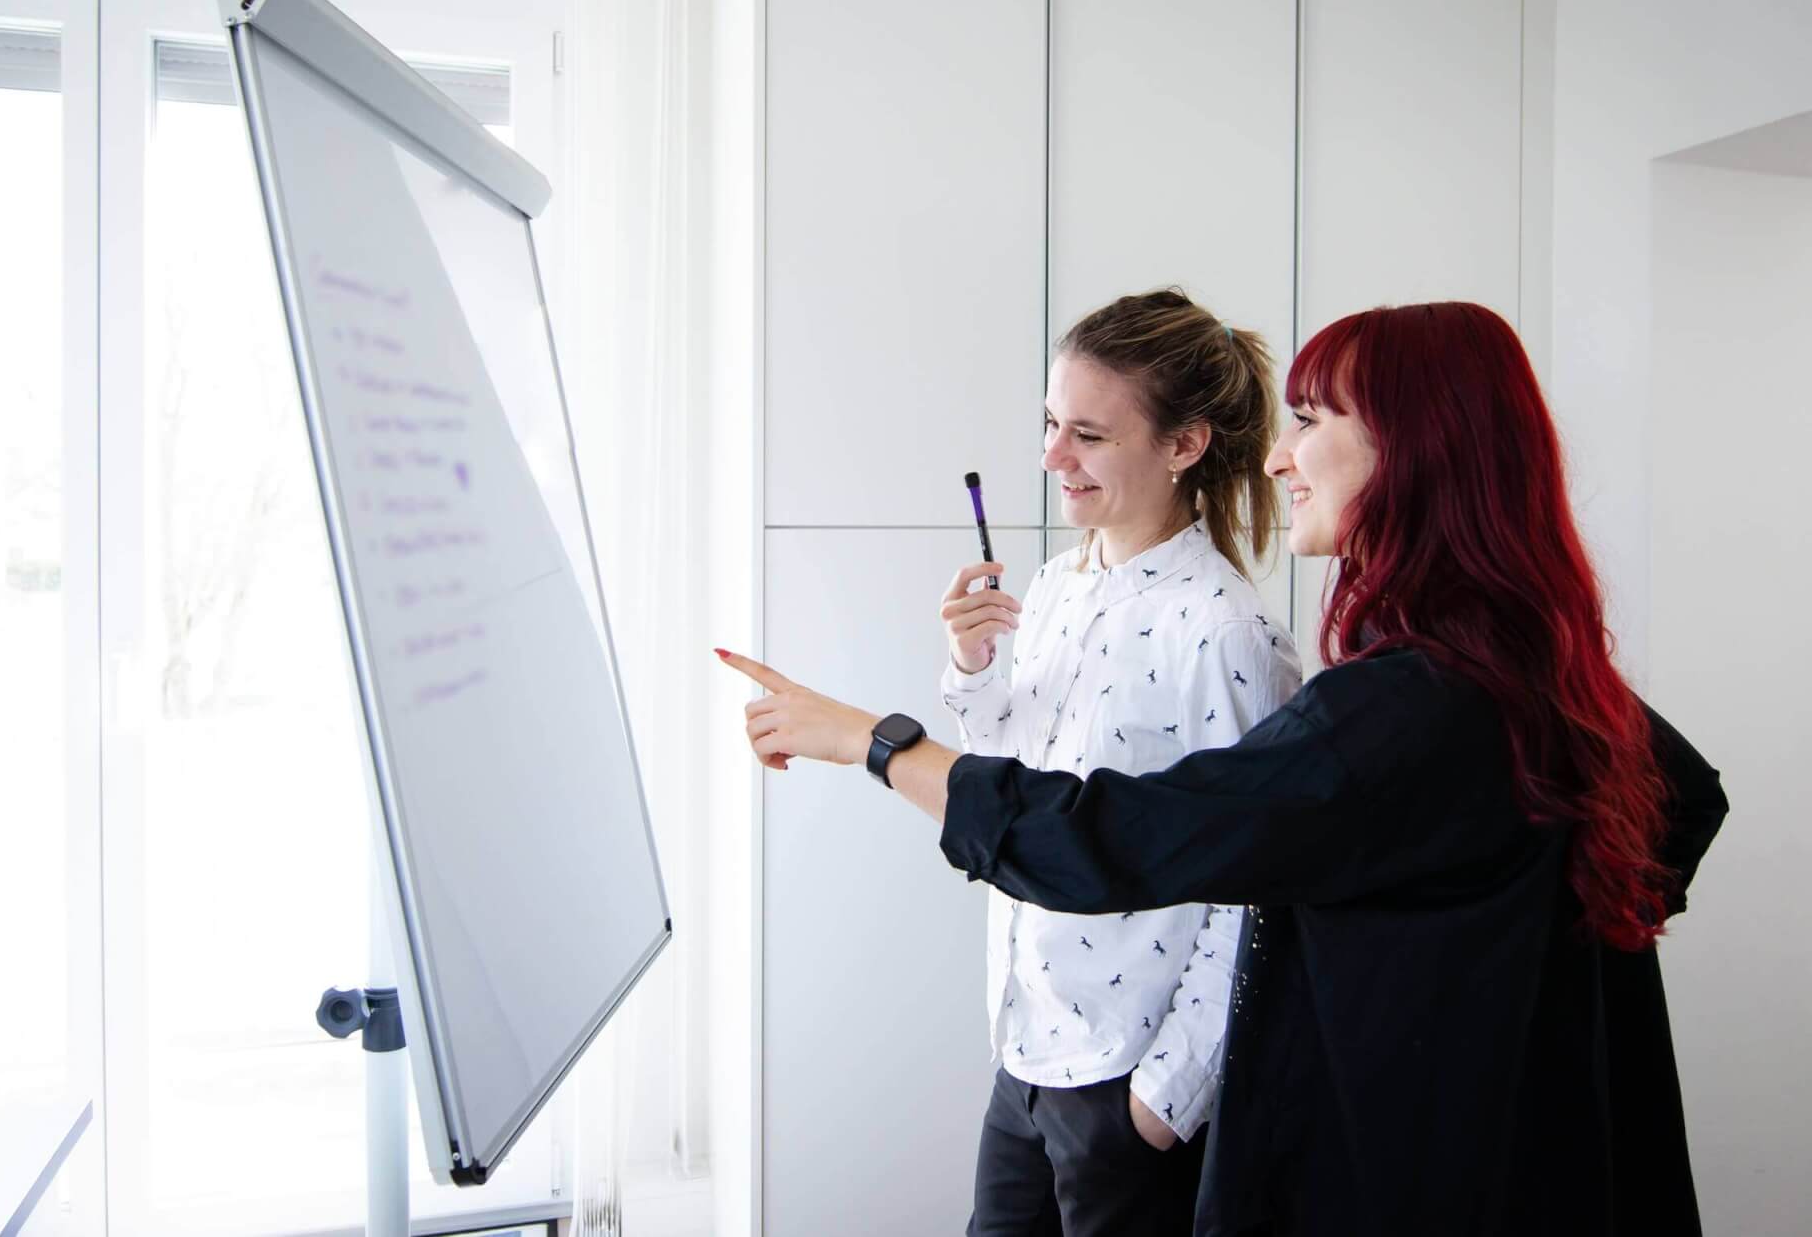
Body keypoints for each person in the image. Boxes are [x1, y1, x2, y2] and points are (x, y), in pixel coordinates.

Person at [720, 301, 1727, 1237]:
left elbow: (1108, 839)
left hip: (1331, 1152)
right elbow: (1682, 800)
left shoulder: (1393, 704)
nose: (1280, 455)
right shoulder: (1533, 668)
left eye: (1310, 420)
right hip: (1504, 1159)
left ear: (1417, 452)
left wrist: (868, 739)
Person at [941, 289, 1299, 1236]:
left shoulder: (1228, 633)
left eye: (1088, 436)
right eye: (1053, 424)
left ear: (1183, 446)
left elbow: (1261, 889)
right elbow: (1017, 800)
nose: (1052, 457)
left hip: (1124, 1089)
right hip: (1023, 1050)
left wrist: (1165, 1095)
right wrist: (974, 671)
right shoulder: (1060, 583)